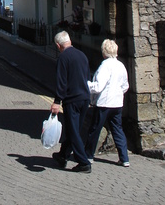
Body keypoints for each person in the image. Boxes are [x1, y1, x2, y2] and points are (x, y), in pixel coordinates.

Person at [50, 30, 92, 173]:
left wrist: (57, 101)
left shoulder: (63, 58)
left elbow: (61, 82)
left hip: (72, 99)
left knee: (73, 132)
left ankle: (83, 162)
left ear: (58, 45)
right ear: (69, 41)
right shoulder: (82, 55)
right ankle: (63, 155)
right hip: (85, 98)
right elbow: (87, 76)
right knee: (74, 129)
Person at [85, 39, 130, 167]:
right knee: (117, 129)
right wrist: (118, 93)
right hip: (117, 103)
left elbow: (98, 87)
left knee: (95, 129)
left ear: (104, 52)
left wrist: (87, 85)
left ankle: (88, 155)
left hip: (104, 104)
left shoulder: (105, 66)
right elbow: (125, 86)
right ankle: (124, 158)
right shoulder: (121, 65)